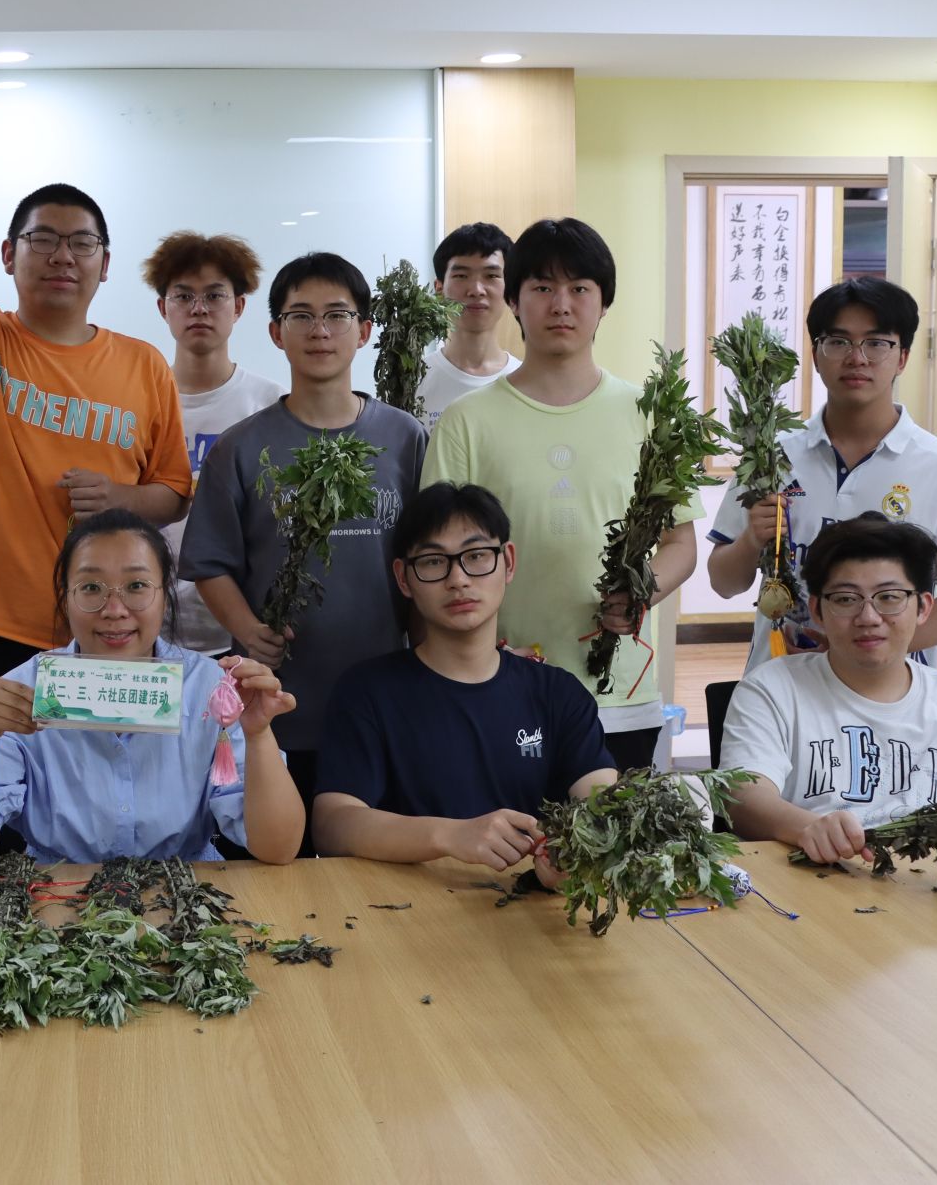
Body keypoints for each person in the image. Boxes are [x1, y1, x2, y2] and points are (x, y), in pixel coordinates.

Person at [0, 57, 194, 801]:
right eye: (43, 239)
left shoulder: (144, 364)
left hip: (108, 627)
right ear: (8, 255)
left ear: (105, 264)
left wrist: (121, 496)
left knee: (99, 805)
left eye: (82, 243)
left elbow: (172, 491)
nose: (64, 255)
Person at [423, 217, 701, 774]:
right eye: (543, 287)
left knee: (617, 825)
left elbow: (681, 544)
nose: (561, 305)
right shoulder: (466, 421)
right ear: (515, 301)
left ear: (604, 303)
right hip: (499, 683)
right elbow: (437, 554)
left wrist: (641, 591)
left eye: (579, 288)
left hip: (620, 694)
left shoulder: (650, 415)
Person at [179, 252, 425, 813]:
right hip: (277, 701)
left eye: (337, 315)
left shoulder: (403, 437)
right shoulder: (241, 448)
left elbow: (426, 560)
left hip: (386, 697)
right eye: (301, 316)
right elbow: (208, 562)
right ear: (275, 332)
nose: (320, 331)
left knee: (371, 850)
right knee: (279, 850)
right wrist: (247, 628)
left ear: (364, 331)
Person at [0, 509, 302, 868]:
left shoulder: (215, 690)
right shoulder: (22, 692)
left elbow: (278, 847)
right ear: (65, 597)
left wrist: (258, 734)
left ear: (165, 594)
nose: (114, 609)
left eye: (136, 586)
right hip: (54, 891)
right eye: (91, 588)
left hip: (186, 891)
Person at [312, 483, 616, 878]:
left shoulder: (558, 693)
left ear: (508, 562)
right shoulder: (366, 692)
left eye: (476, 556)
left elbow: (601, 805)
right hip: (399, 907)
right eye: (433, 562)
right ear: (403, 578)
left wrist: (570, 860)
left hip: (527, 907)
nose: (458, 579)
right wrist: (450, 835)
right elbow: (332, 825)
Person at [708, 276, 937, 672]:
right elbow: (724, 583)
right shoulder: (771, 456)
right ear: (816, 355)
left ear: (902, 357)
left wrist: (856, 647)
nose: (857, 358)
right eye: (839, 341)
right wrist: (749, 540)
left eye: (876, 343)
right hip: (779, 685)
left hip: (892, 693)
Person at [722, 514, 937, 864]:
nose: (868, 617)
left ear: (923, 607)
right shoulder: (772, 689)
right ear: (817, 610)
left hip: (934, 888)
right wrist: (808, 828)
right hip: (816, 881)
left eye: (890, 597)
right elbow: (743, 798)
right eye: (846, 599)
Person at [142, 230, 282, 654]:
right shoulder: (137, 401)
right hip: (144, 629)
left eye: (214, 296)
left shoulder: (270, 404)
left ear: (238, 307)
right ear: (163, 308)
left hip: (241, 632)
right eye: (183, 296)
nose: (199, 308)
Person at [420, 223, 520, 429]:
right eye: (461, 276)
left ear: (510, 288)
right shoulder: (414, 382)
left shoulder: (528, 383)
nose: (476, 290)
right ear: (439, 289)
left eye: (491, 276)